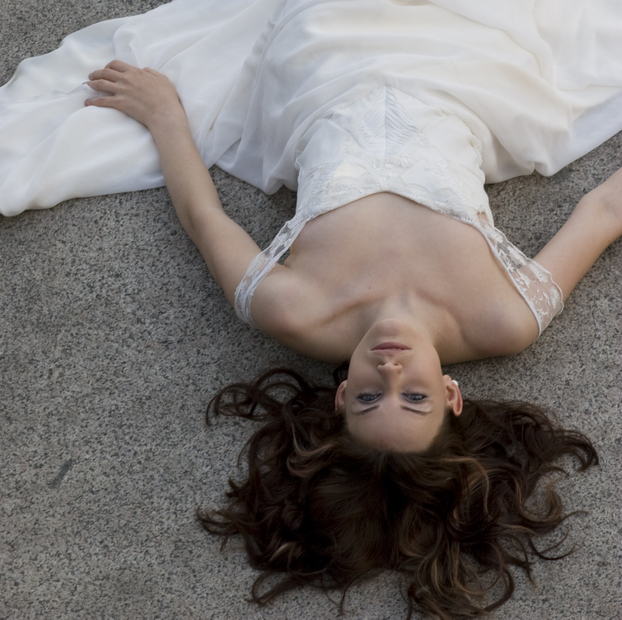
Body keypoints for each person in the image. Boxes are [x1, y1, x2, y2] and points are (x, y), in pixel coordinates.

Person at [1, 0, 621, 617]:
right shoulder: (503, 319)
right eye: (415, 397)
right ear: (452, 396)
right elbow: (604, 212)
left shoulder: (293, 311)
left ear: (342, 396)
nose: (391, 371)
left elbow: (205, 217)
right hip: (463, 77)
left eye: (370, 397)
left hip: (322, 69)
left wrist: (166, 116)